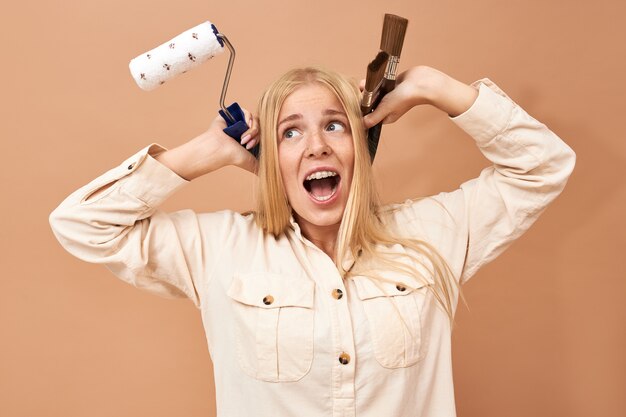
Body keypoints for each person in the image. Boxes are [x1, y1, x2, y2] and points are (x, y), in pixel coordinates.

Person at [49, 65, 576, 417]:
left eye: (335, 126)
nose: (317, 146)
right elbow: (79, 223)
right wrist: (205, 152)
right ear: (270, 158)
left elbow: (544, 166)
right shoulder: (218, 249)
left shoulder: (432, 233)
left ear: (362, 146)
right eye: (291, 132)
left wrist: (436, 88)